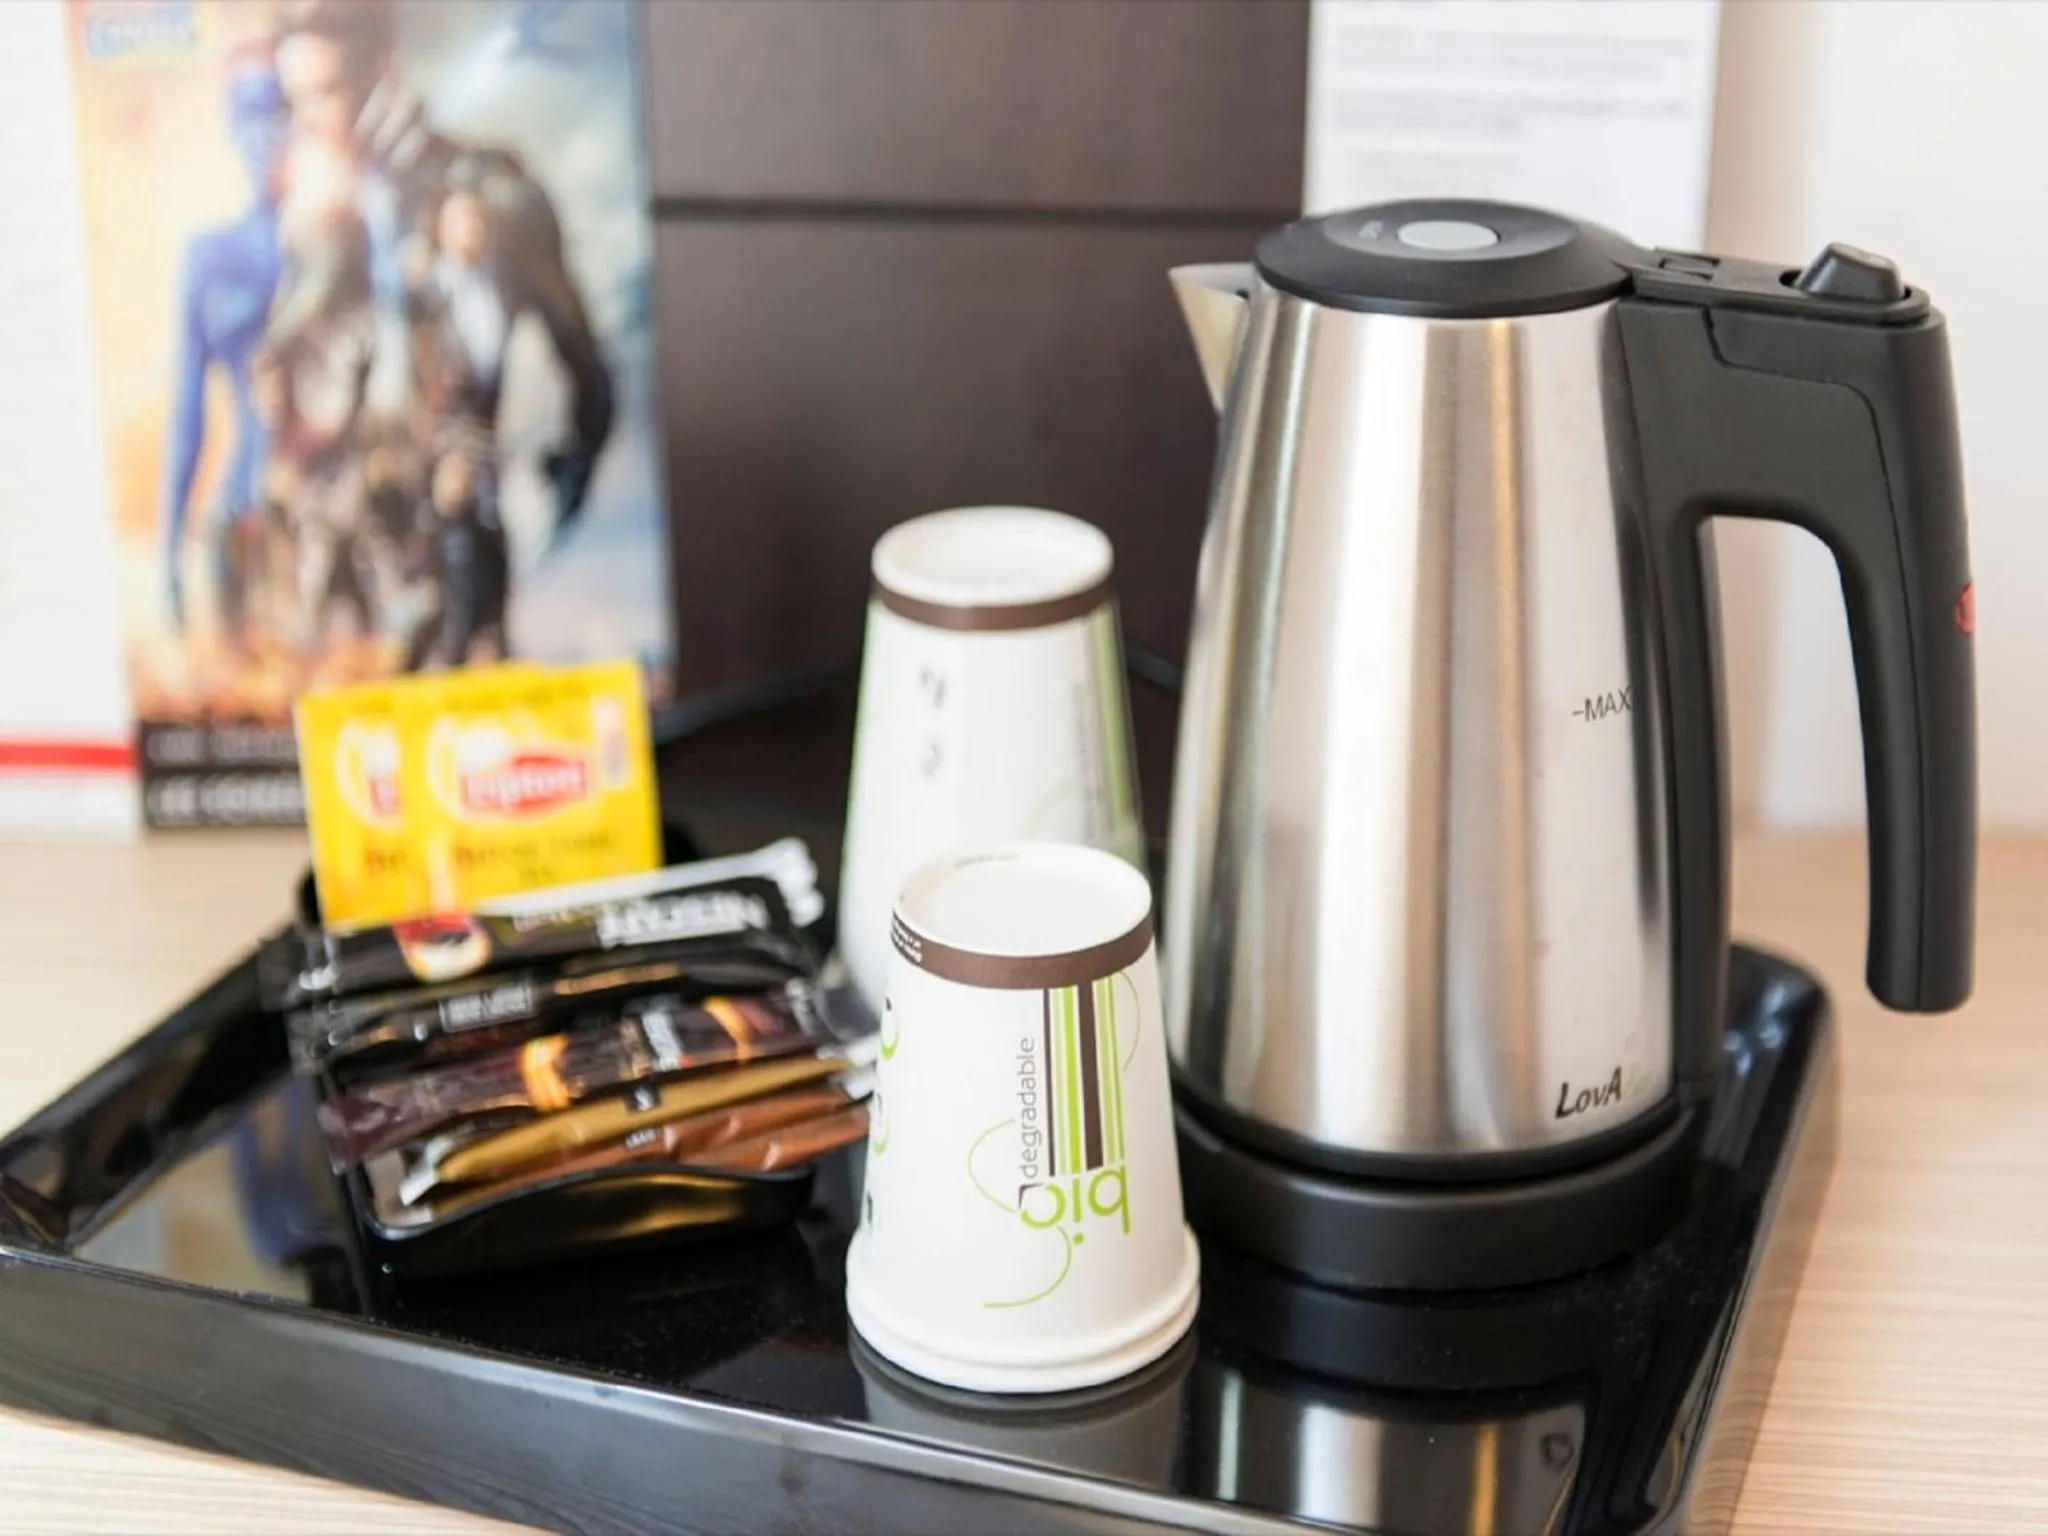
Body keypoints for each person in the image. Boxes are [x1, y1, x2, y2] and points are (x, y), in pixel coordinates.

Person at [270, 0, 614, 551]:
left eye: (326, 91)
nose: (307, 120)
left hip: (458, 518)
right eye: (294, 100)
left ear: (378, 71)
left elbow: (586, 375)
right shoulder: (313, 221)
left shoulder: (486, 194)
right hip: (356, 528)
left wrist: (559, 487)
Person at [161, 43, 287, 639]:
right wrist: (169, 553)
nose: (265, 137)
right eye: (250, 117)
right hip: (241, 520)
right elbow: (188, 418)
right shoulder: (209, 256)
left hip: (336, 515)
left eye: (278, 115)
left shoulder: (346, 233)